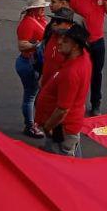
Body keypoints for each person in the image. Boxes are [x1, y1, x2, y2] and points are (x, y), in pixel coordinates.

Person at [34, 23, 93, 156]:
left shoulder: (71, 73)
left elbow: (62, 109)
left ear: (76, 46)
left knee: (59, 164)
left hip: (61, 129)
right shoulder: (82, 57)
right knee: (72, 157)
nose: (59, 42)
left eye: (65, 41)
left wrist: (48, 126)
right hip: (68, 127)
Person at [70, 0, 107, 116]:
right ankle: (75, 103)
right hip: (83, 43)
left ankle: (96, 103)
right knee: (79, 75)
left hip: (98, 41)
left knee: (97, 74)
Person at [15, 0, 49, 139]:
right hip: (29, 62)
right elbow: (22, 45)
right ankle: (30, 126)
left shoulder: (38, 20)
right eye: (40, 7)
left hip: (32, 62)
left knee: (34, 95)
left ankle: (35, 122)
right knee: (30, 96)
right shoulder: (28, 23)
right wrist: (38, 45)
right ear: (34, 9)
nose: (43, 9)